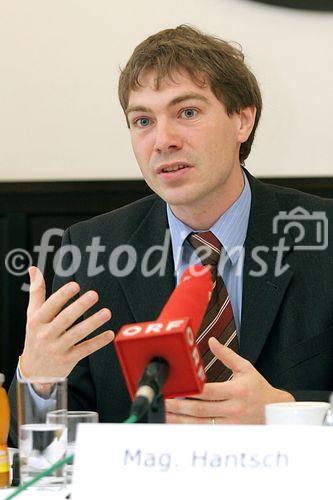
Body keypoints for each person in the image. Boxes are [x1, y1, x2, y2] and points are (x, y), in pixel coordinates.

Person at [9, 25, 333, 441]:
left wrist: (287, 413)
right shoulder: (91, 251)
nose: (163, 140)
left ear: (243, 120)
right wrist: (38, 381)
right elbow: (43, 451)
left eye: (188, 113)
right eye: (143, 120)